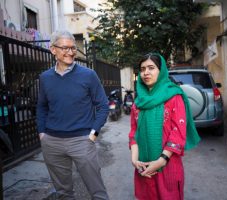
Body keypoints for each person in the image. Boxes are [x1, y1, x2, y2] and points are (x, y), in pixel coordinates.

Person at [36, 30, 110, 200]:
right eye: (65, 48)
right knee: (63, 193)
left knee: (98, 192)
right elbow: (41, 107)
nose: (70, 52)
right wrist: (42, 133)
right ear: (53, 49)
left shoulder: (88, 75)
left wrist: (93, 134)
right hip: (52, 142)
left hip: (82, 141)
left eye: (73, 48)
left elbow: (103, 106)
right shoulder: (45, 78)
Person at [128, 53, 200, 200]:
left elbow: (178, 133)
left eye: (151, 68)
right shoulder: (138, 102)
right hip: (143, 166)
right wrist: (135, 160)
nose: (146, 73)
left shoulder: (174, 96)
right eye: (142, 69)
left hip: (167, 165)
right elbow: (134, 133)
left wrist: (161, 161)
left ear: (161, 71)